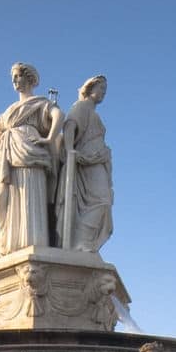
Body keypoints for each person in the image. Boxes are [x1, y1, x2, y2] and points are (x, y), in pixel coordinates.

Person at [0, 62, 61, 255]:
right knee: (1, 200)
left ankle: (31, 241)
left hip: (31, 152)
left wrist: (50, 137)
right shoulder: (10, 110)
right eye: (13, 78)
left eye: (18, 76)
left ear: (29, 78)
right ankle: (7, 243)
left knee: (30, 196)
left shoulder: (40, 102)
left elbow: (59, 115)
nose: (15, 81)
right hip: (9, 154)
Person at [61, 75, 113, 252]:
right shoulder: (82, 107)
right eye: (101, 89)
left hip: (98, 160)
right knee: (99, 200)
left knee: (103, 201)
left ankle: (86, 241)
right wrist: (70, 151)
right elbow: (69, 126)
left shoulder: (94, 113)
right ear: (90, 88)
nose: (103, 93)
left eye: (105, 90)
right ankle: (81, 241)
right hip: (87, 162)